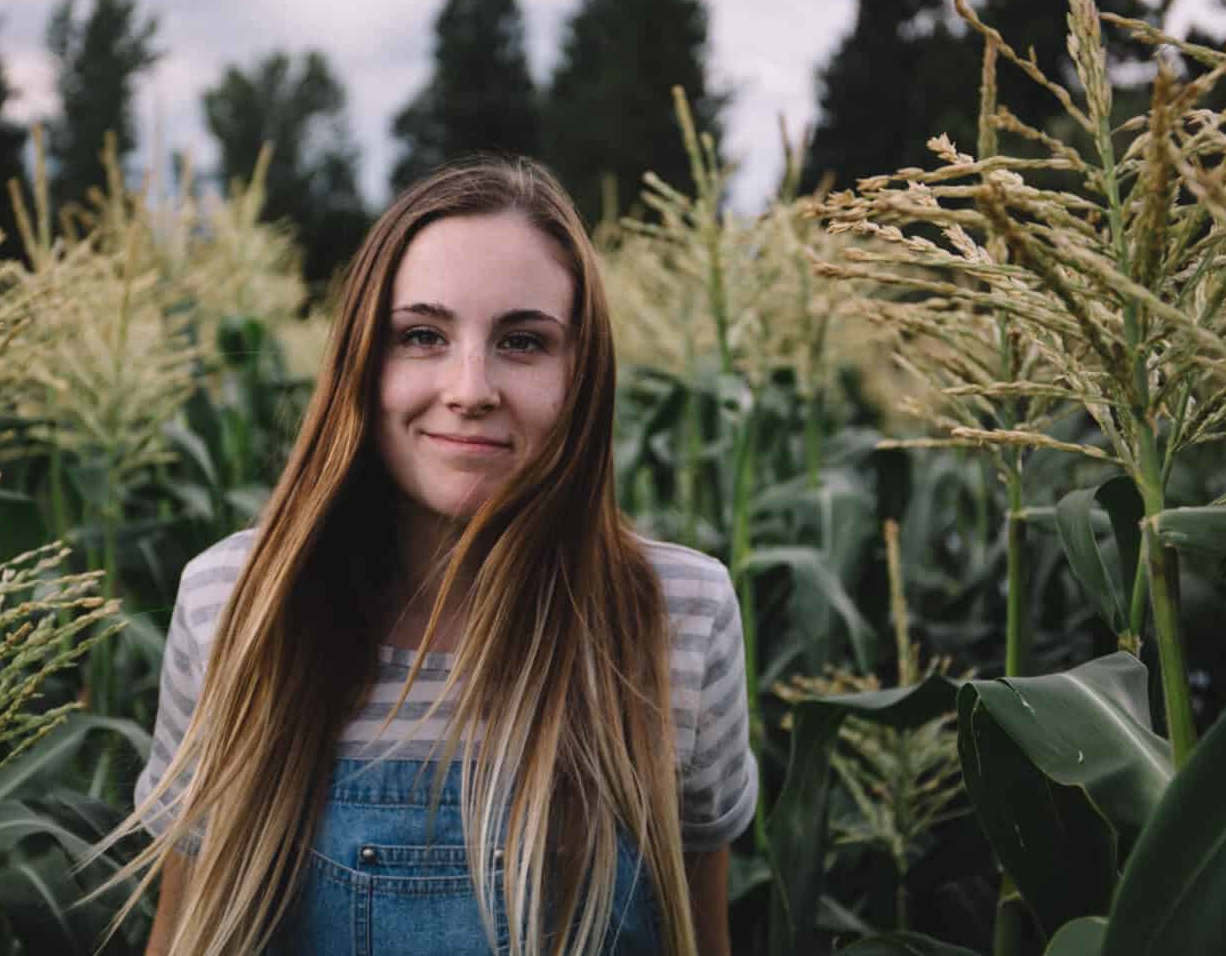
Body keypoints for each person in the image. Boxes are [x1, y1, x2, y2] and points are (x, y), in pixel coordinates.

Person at [97, 156, 757, 955]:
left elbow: (702, 937)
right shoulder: (237, 602)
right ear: (361, 365)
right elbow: (184, 936)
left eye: (523, 341)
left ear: (581, 376)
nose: (470, 387)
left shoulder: (680, 617)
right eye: (422, 336)